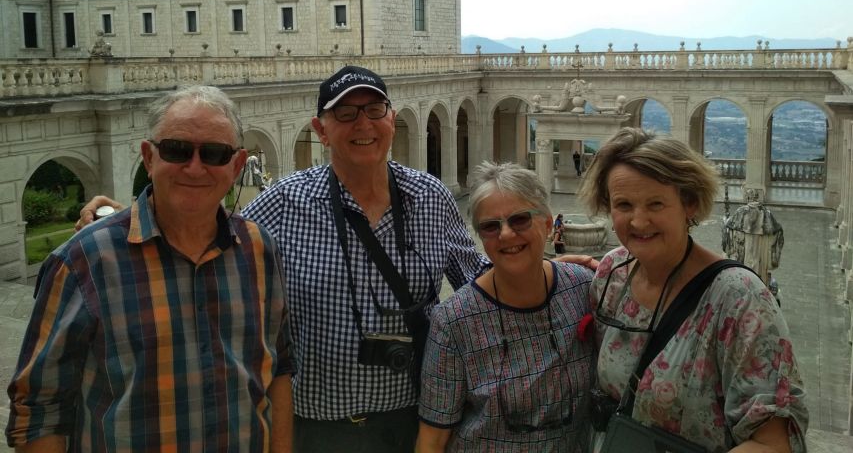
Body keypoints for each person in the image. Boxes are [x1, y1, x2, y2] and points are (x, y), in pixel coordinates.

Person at [76, 66, 489, 453]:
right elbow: (208, 235)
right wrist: (122, 217)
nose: (362, 123)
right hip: (313, 427)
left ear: (391, 119)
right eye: (344, 113)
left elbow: (478, 283)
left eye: (374, 109)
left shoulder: (430, 196)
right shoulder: (285, 201)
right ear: (320, 131)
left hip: (414, 420)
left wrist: (542, 267)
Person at [7, 85, 294, 452]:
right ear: (149, 157)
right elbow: (39, 407)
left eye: (214, 153)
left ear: (236, 165)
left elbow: (278, 368)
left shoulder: (259, 248)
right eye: (176, 150)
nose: (195, 166)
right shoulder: (83, 260)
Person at [578, 128, 808, 453]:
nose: (639, 221)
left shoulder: (740, 299)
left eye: (655, 204)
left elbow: (773, 443)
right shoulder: (611, 275)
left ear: (689, 204)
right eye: (624, 204)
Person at [417, 162, 595, 452]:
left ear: (548, 223)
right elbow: (434, 433)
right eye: (490, 226)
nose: (507, 234)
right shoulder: (453, 320)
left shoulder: (582, 288)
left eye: (520, 219)